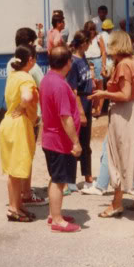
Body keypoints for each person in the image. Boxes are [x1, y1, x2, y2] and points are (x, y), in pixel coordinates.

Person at [89, 31, 134, 217]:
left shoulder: (123, 65)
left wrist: (103, 94)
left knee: (118, 155)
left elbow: (124, 94)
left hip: (123, 113)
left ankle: (116, 202)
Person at [40, 46, 82, 233]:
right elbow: (65, 117)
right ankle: (57, 220)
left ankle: (53, 214)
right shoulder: (59, 85)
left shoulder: (47, 79)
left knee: (55, 177)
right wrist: (76, 142)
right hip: (59, 141)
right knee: (59, 180)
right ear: (67, 63)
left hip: (50, 138)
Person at [6, 28, 48, 207]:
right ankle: (26, 193)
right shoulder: (31, 70)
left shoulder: (11, 63)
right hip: (28, 118)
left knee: (15, 160)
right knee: (26, 157)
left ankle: (17, 201)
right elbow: (42, 87)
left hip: (11, 118)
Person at [0, 44, 40, 222]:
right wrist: (23, 107)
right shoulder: (25, 77)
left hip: (8, 123)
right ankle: (13, 208)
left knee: (14, 170)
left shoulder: (13, 75)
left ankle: (19, 205)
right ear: (30, 60)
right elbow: (26, 97)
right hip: (18, 126)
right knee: (16, 170)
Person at [65, 31, 93, 192]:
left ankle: (88, 176)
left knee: (86, 141)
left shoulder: (83, 59)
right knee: (76, 141)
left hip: (87, 101)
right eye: (88, 42)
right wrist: (80, 112)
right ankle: (70, 179)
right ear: (83, 43)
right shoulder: (74, 62)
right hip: (79, 103)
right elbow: (73, 89)